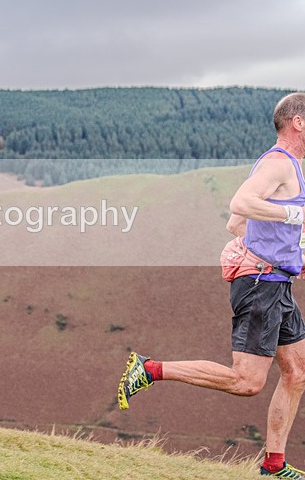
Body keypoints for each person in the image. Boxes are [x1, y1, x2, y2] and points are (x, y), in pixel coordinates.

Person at [119, 92, 305, 478]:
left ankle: (274, 465)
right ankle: (149, 369)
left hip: (276, 281)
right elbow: (241, 203)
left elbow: (236, 227)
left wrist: (289, 254)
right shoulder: (278, 163)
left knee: (298, 371)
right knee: (247, 381)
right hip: (260, 284)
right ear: (298, 122)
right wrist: (292, 215)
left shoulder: (292, 168)